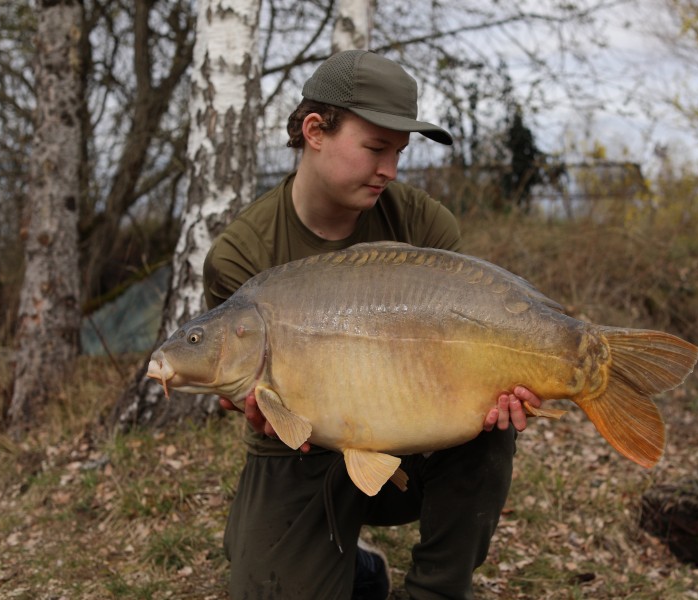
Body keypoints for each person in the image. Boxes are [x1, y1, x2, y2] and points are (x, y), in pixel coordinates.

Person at [204, 49, 542, 600]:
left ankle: (435, 590)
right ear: (315, 130)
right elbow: (231, 378)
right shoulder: (242, 253)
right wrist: (256, 405)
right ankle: (355, 568)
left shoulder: (423, 222)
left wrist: (500, 378)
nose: (390, 169)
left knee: (490, 422)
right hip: (302, 452)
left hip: (413, 441)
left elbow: (468, 338)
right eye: (375, 148)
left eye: (399, 152)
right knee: (263, 581)